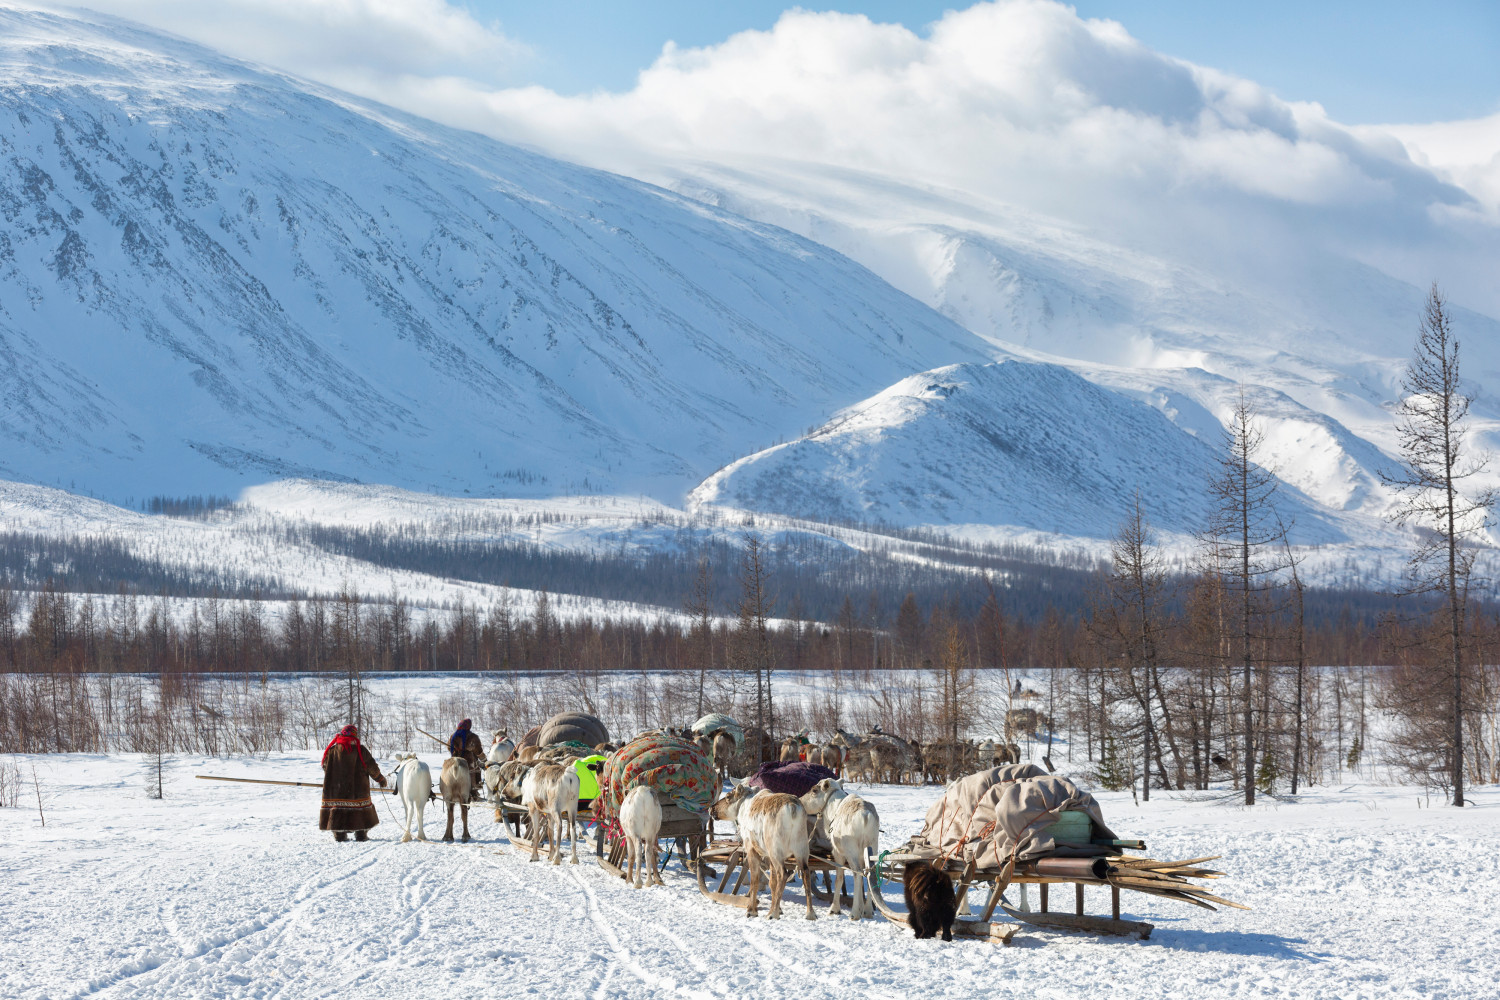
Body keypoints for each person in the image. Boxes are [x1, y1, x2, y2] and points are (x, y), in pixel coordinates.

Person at [320, 724, 386, 841]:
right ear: (355, 735)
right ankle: (361, 834)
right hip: (358, 790)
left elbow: (325, 766)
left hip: (336, 790)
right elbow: (371, 767)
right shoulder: (360, 750)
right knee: (360, 809)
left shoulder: (332, 751)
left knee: (337, 809)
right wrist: (380, 779)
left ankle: (339, 834)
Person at [449, 718, 485, 801]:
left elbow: (448, 747)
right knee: (474, 769)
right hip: (469, 760)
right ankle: (473, 792)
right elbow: (478, 751)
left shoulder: (453, 736)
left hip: (455, 759)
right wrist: (484, 759)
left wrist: (456, 750)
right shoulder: (473, 737)